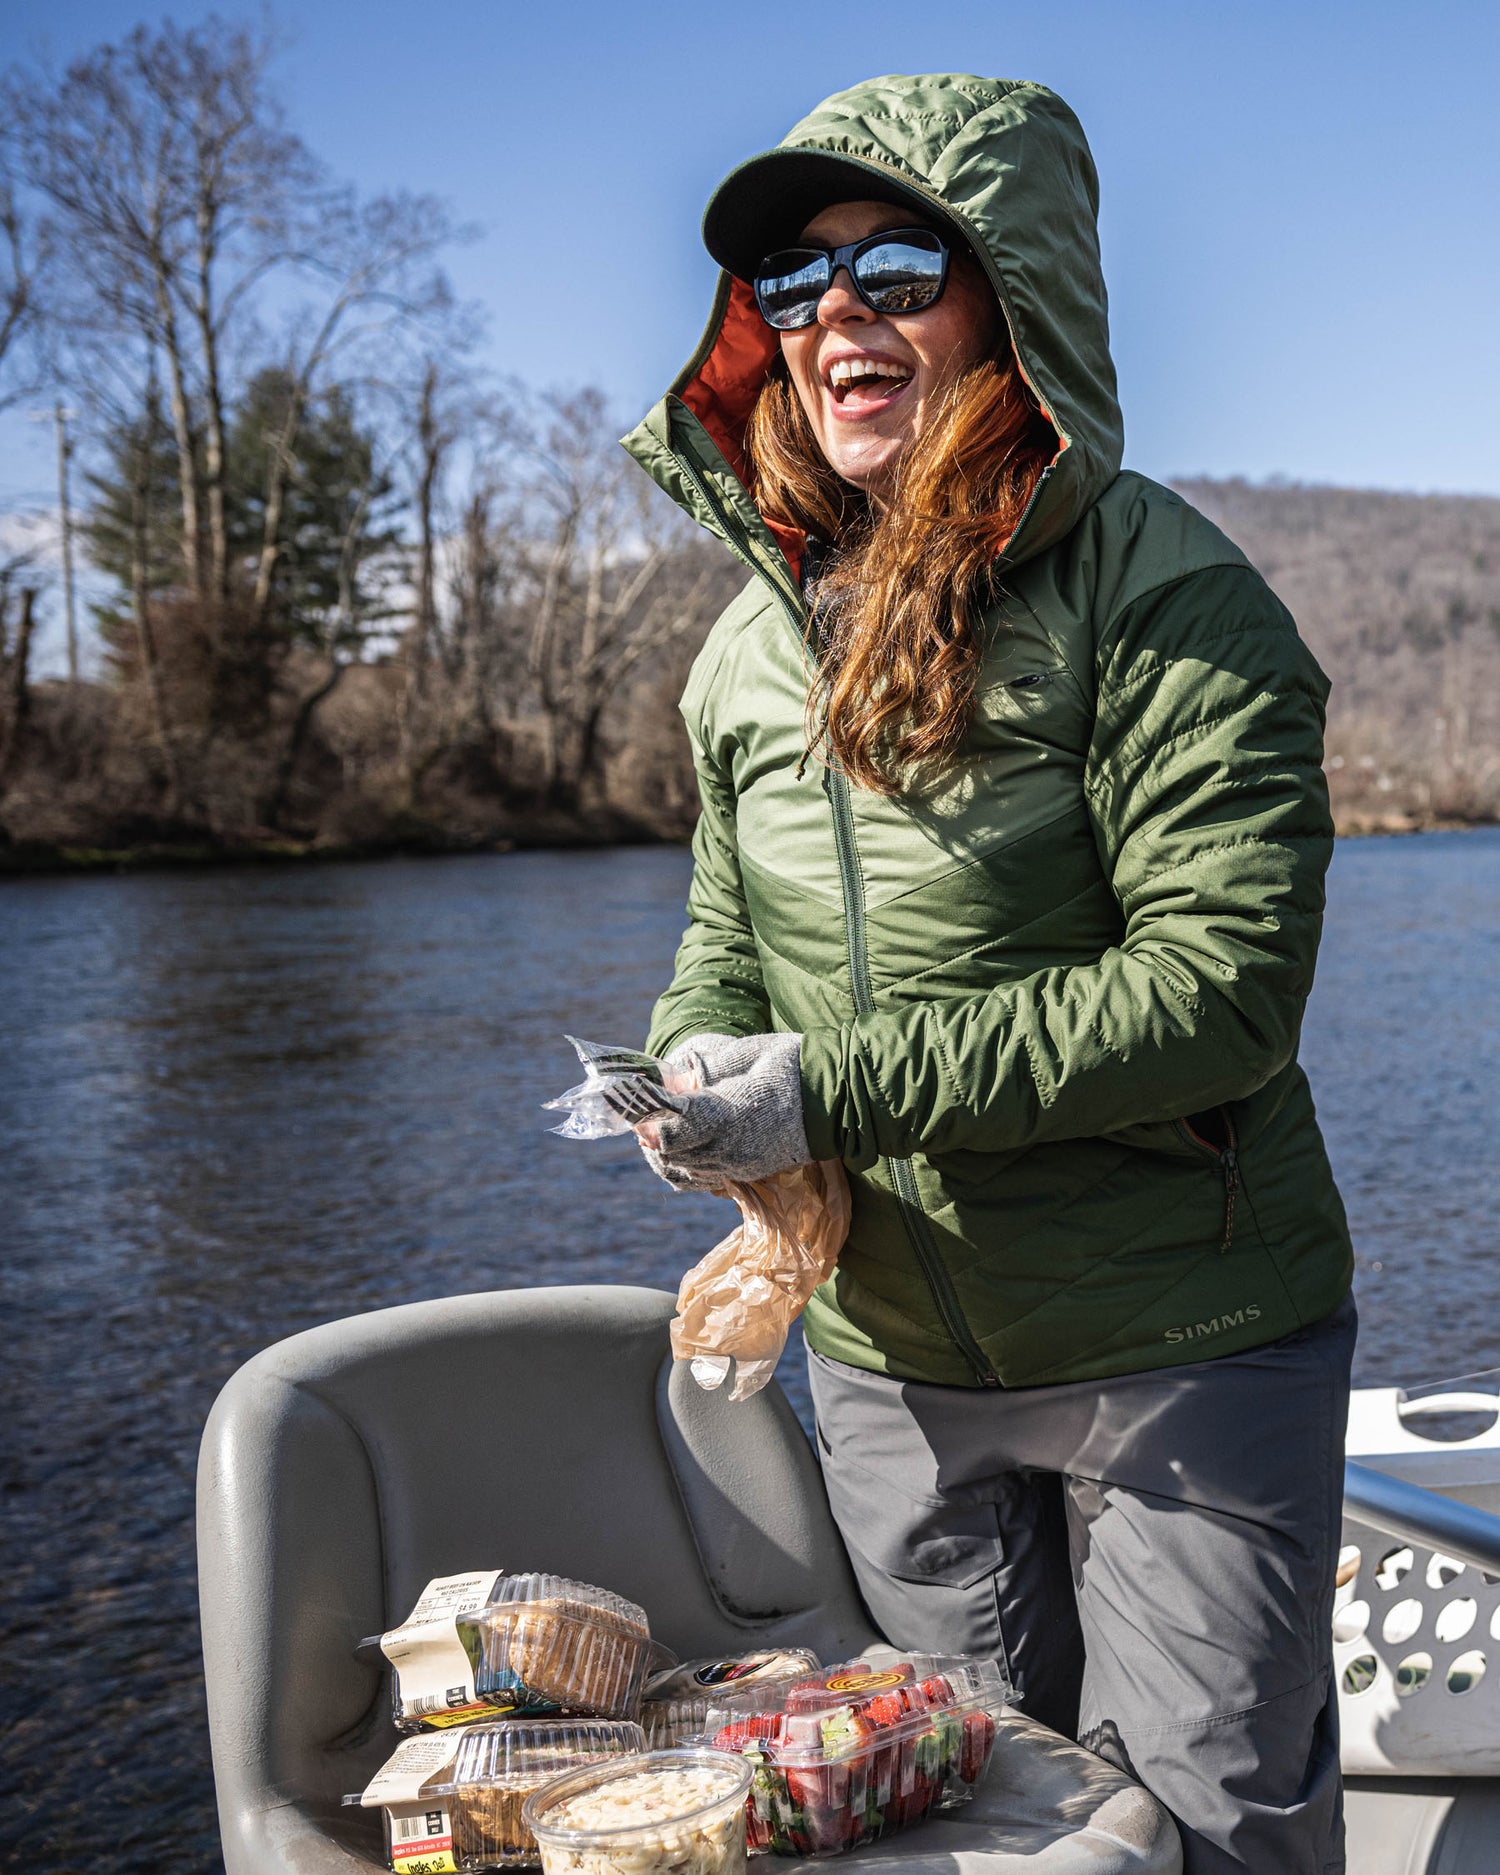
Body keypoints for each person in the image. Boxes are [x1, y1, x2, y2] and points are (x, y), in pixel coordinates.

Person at [622, 73, 1355, 1875]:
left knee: (1205, 1831)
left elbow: (1220, 992)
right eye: (793, 285)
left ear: (1013, 290)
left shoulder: (1170, 594)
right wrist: (695, 1067)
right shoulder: (743, 645)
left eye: (894, 261)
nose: (834, 315)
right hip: (888, 1358)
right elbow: (731, 927)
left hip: (1179, 1349)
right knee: (963, 1830)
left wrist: (834, 1091)